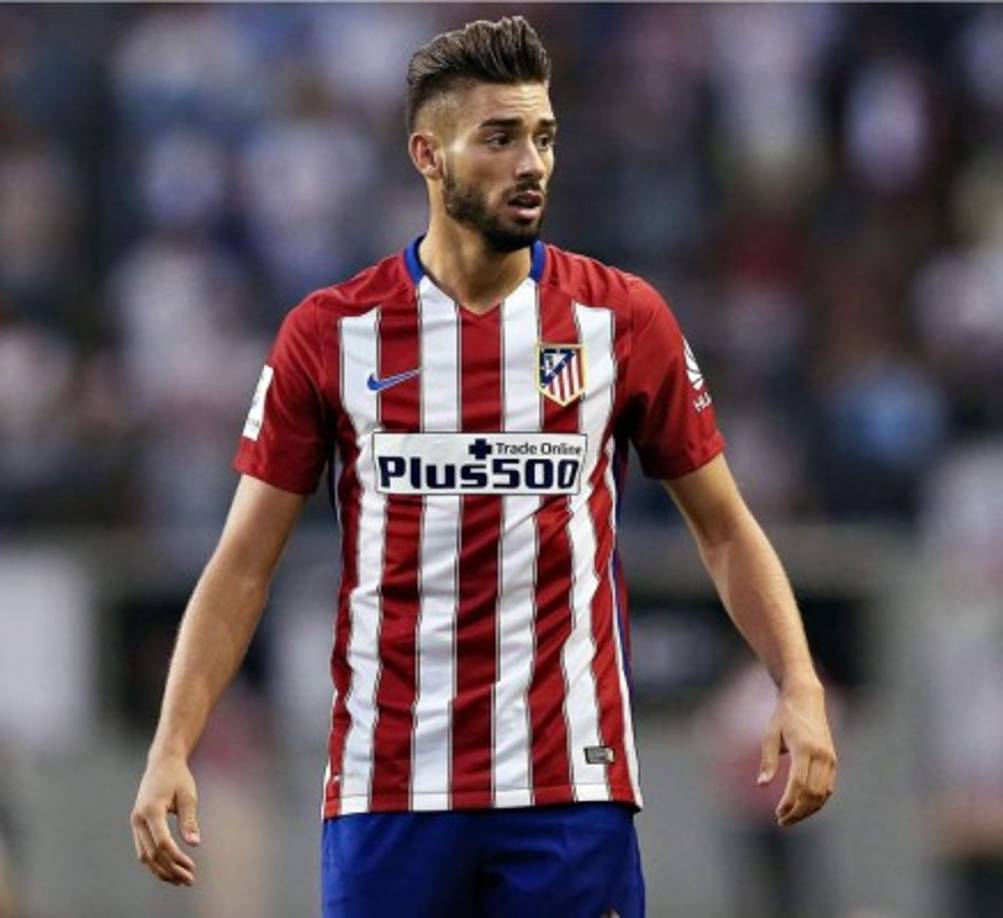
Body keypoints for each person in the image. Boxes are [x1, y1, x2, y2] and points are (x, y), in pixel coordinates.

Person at [130, 16, 838, 917]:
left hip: (568, 787)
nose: (531, 162)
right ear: (428, 155)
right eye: (499, 138)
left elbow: (726, 529)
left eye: (542, 136)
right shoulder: (332, 333)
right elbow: (241, 564)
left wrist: (799, 686)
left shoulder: (620, 320)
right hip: (389, 789)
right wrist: (170, 745)